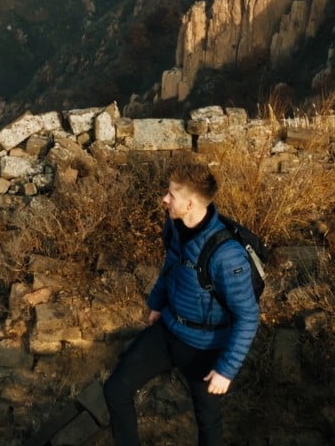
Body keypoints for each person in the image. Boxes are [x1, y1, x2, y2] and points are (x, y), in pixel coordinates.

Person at [103, 157, 260, 446]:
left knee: (208, 421)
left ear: (190, 204)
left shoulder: (227, 255)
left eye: (171, 195)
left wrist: (226, 370)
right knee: (115, 389)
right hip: (170, 328)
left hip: (205, 347)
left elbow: (248, 316)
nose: (164, 199)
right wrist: (156, 303)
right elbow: (171, 265)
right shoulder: (176, 226)